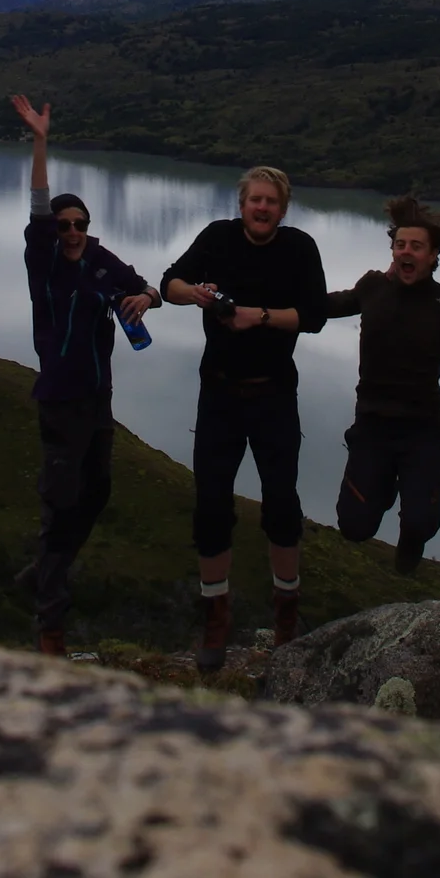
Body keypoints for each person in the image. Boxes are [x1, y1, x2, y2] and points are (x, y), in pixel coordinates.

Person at [161, 165, 328, 672]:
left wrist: (257, 315)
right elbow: (170, 282)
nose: (262, 208)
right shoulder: (217, 238)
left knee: (281, 504)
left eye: (271, 202)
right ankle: (216, 617)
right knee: (211, 506)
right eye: (254, 200)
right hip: (219, 396)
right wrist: (197, 295)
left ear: (283, 208)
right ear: (242, 204)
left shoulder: (299, 248)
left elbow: (315, 315)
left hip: (274, 394)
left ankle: (285, 616)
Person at [11, 93, 160, 657]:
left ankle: (42, 574)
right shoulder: (45, 263)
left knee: (96, 495)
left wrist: (144, 297)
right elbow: (38, 206)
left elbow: (143, 283)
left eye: (79, 224)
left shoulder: (100, 260)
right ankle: (52, 625)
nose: (71, 231)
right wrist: (41, 141)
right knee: (60, 506)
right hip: (59, 402)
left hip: (98, 400)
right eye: (65, 224)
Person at [322, 196, 440, 574]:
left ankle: (411, 538)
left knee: (421, 523)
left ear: (434, 255)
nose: (406, 251)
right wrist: (265, 307)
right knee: (354, 527)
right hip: (372, 425)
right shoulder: (374, 286)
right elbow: (328, 305)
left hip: (423, 429)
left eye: (416, 246)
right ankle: (382, 487)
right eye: (400, 245)